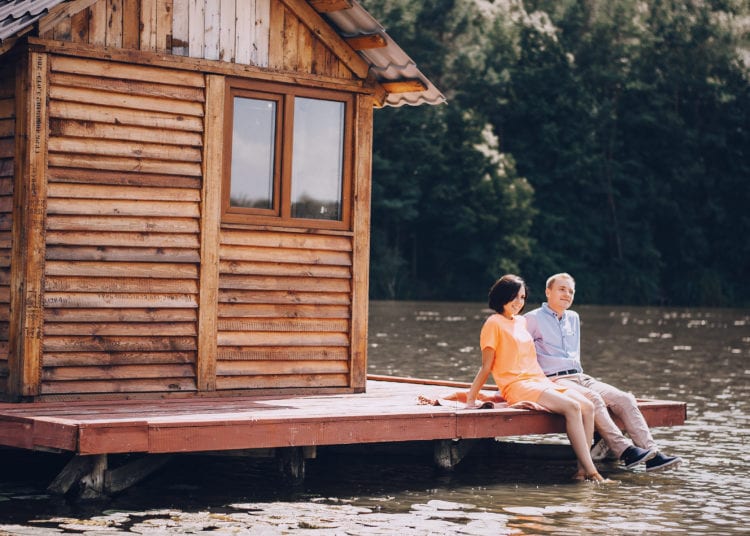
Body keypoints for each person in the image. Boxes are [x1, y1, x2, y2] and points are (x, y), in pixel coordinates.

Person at [524, 272, 682, 472]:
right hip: (554, 379)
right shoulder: (531, 319)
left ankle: (652, 454)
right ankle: (624, 451)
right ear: (548, 291)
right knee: (593, 399)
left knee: (625, 399)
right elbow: (519, 351)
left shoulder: (573, 317)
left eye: (571, 291)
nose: (567, 294)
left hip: (579, 375)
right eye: (562, 289)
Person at [465, 274, 614, 483]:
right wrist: (471, 398)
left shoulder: (521, 322)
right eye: (514, 297)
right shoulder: (493, 323)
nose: (519, 303)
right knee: (572, 408)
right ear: (502, 297)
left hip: (539, 379)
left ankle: (581, 471)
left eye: (523, 298)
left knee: (588, 406)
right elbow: (486, 366)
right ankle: (594, 472)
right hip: (516, 385)